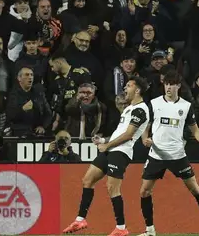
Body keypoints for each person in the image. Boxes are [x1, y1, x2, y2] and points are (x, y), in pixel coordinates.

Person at [137, 71, 199, 236]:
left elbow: (196, 131)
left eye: (172, 84)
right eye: (166, 84)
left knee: (195, 189)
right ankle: (150, 230)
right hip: (156, 155)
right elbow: (146, 125)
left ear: (178, 85)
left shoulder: (185, 106)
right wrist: (145, 138)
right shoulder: (154, 103)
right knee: (144, 191)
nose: (169, 87)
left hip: (177, 155)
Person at [62, 77, 150, 236]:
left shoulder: (141, 110)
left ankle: (121, 228)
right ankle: (80, 219)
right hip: (111, 149)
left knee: (112, 188)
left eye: (129, 86)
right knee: (87, 180)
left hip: (122, 152)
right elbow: (120, 133)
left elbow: (129, 135)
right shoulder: (129, 109)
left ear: (137, 90)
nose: (125, 89)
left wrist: (107, 145)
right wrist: (103, 140)